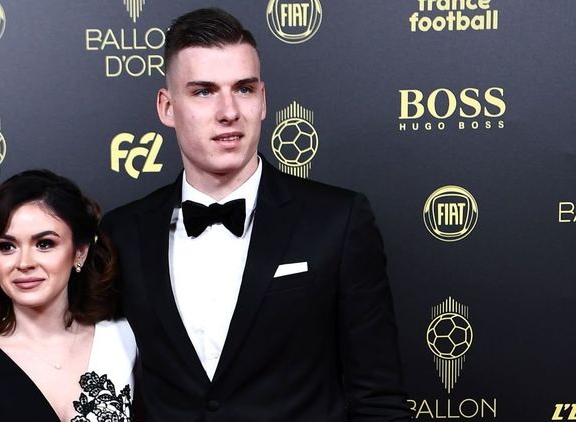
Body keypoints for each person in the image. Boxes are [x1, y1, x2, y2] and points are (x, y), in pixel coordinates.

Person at [100, 8, 411, 421]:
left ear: (263, 100)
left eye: (243, 89)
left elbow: (379, 399)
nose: (229, 111)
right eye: (204, 92)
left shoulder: (338, 220)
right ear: (167, 107)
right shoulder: (123, 232)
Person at [0, 169, 137, 422]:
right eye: (7, 247)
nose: (24, 263)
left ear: (79, 252)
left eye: (44, 244)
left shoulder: (126, 341)